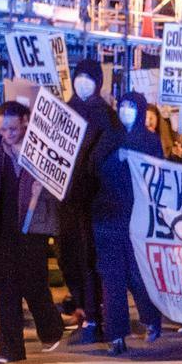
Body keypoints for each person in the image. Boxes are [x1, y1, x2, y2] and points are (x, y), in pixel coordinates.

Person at [0, 101, 68, 363]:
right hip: (2, 227)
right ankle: (11, 348)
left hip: (33, 227)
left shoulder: (41, 151)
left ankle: (51, 329)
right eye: (2, 129)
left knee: (34, 284)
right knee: (7, 287)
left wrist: (43, 191)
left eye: (12, 128)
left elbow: (61, 186)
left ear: (25, 121)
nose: (7, 133)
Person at [90, 90, 166, 354]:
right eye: (122, 106)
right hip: (108, 218)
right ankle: (116, 335)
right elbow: (93, 168)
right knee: (112, 278)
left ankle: (151, 318)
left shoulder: (150, 141)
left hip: (138, 218)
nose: (125, 111)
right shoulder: (109, 137)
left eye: (131, 106)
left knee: (137, 275)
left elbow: (159, 176)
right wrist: (114, 159)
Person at [55, 65, 115, 340]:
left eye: (89, 79)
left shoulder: (107, 118)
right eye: (79, 78)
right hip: (66, 200)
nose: (82, 83)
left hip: (95, 200)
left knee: (90, 258)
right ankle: (82, 308)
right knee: (68, 256)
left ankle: (94, 316)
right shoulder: (62, 113)